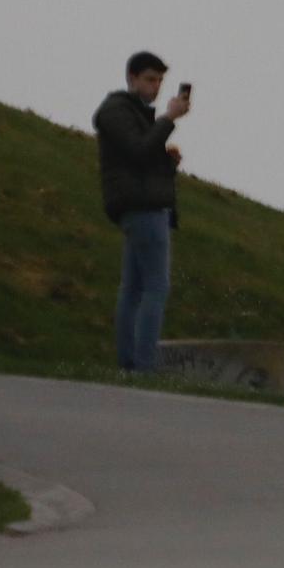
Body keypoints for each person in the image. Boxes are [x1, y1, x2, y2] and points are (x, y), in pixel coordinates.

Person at [94, 51, 190, 372]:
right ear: (132, 78)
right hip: (144, 208)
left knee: (134, 289)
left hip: (142, 206)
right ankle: (143, 364)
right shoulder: (116, 110)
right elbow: (137, 152)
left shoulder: (132, 112)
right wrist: (168, 119)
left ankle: (130, 363)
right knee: (154, 288)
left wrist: (167, 161)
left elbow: (143, 156)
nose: (157, 87)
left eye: (160, 81)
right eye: (150, 79)